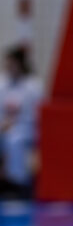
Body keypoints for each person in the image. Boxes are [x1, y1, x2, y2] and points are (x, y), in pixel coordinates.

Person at [0, 46, 42, 198]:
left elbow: (37, 116)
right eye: (8, 64)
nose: (10, 67)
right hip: (4, 128)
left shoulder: (33, 87)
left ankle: (17, 184)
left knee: (14, 139)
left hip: (26, 129)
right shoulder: (2, 84)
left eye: (13, 64)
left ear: (21, 64)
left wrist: (14, 124)